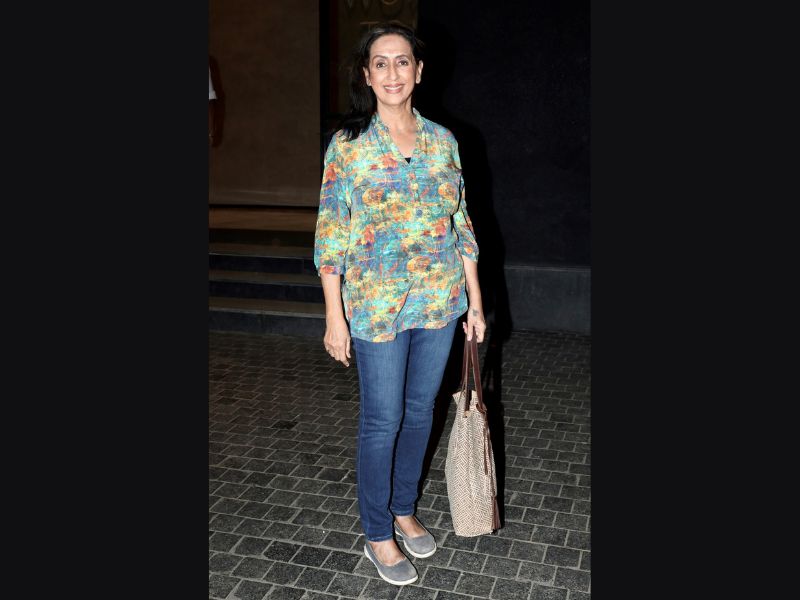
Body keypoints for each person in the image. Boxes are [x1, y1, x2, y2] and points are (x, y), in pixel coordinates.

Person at [313, 21, 486, 586]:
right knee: (382, 419)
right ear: (367, 76)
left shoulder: (443, 141)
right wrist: (334, 315)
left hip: (440, 301)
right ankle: (377, 532)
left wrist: (475, 302)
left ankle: (404, 508)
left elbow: (461, 223)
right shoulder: (348, 146)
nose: (393, 72)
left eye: (402, 61)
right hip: (375, 306)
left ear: (419, 70)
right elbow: (331, 234)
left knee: (420, 412)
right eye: (381, 63)